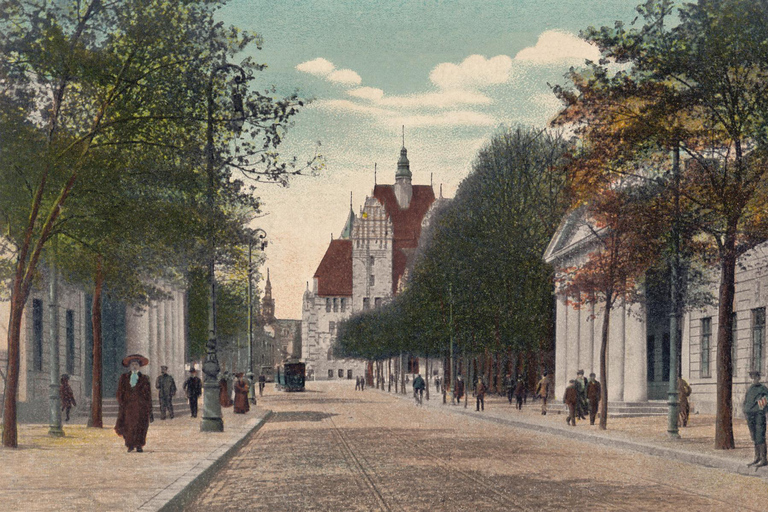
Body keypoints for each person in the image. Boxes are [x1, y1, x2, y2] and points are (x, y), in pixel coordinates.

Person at [115, 354, 152, 453]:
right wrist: (122, 402)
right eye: (132, 364)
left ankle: (139, 445)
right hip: (128, 407)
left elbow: (148, 395)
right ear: (129, 366)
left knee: (141, 426)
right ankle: (130, 445)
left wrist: (149, 408)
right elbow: (120, 392)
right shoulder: (124, 377)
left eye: (136, 364)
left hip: (141, 407)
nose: (134, 366)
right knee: (128, 426)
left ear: (139, 366)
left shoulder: (144, 378)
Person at [743, 370, 768, 467]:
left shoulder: (762, 388)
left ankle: (763, 458)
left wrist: (760, 408)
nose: (753, 379)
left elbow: (766, 400)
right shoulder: (750, 389)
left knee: (760, 435)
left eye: (755, 377)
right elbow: (746, 401)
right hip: (750, 415)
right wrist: (745, 410)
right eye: (752, 377)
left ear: (759, 378)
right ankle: (756, 457)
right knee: (753, 435)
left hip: (758, 415)